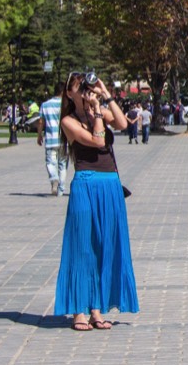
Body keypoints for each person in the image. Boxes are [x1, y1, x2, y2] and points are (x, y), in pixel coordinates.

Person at [54, 72, 138, 331]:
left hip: (109, 184)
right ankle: (79, 310)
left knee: (105, 246)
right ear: (69, 94)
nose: (87, 93)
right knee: (82, 246)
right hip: (86, 183)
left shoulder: (99, 108)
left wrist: (106, 96)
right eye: (81, 89)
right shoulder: (69, 121)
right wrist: (97, 115)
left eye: (89, 88)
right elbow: (97, 140)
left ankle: (96, 309)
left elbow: (123, 124)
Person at [37, 83, 64, 196]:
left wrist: (39, 135)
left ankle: (54, 178)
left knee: (50, 162)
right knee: (62, 164)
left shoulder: (45, 105)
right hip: (64, 139)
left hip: (50, 138)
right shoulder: (66, 105)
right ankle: (61, 190)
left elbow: (41, 122)